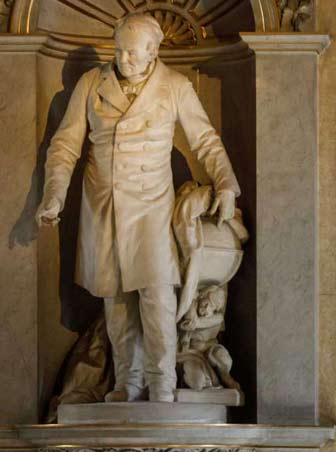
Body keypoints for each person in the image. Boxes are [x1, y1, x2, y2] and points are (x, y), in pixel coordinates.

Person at [37, 12, 241, 403]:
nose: (124, 60)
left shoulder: (174, 85)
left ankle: (161, 382)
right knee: (115, 297)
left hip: (152, 206)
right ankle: (126, 382)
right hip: (102, 203)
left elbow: (205, 140)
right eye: (119, 51)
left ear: (153, 51)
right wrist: (55, 195)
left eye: (132, 54)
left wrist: (227, 184)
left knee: (156, 293)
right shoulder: (91, 83)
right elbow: (64, 145)